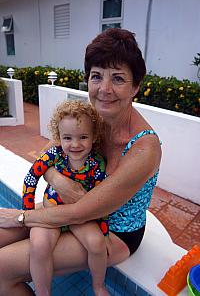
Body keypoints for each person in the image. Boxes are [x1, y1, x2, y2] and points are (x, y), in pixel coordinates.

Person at [0, 27, 162, 296]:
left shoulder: (145, 148)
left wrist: (20, 217)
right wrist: (58, 180)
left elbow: (82, 211)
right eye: (96, 76)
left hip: (113, 231)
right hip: (71, 209)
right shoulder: (92, 121)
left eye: (118, 78)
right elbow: (45, 157)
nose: (105, 89)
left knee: (2, 267)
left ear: (136, 86)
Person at [22, 100, 109, 296]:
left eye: (83, 137)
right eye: (67, 138)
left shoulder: (97, 164)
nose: (75, 144)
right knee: (39, 245)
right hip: (51, 212)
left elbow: (99, 194)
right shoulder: (53, 155)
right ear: (58, 137)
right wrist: (27, 209)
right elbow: (31, 177)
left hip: (79, 216)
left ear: (94, 136)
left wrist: (102, 224)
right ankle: (43, 293)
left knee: (97, 244)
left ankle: (98, 286)